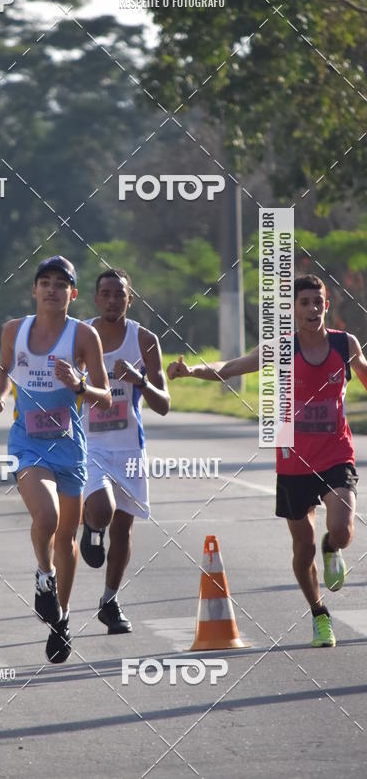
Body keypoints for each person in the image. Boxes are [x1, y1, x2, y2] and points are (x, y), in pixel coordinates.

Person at [167, 274, 367, 648]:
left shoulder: (345, 344)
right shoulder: (280, 349)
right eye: (305, 302)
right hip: (293, 461)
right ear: (293, 309)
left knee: (341, 528)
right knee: (302, 547)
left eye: (318, 302)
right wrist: (192, 370)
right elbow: (231, 367)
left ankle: (333, 547)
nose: (312, 309)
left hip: (336, 454)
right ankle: (319, 614)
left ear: (327, 306)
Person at [0, 255, 111, 663]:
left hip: (70, 446)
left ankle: (62, 620)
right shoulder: (13, 330)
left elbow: (106, 397)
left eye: (61, 284)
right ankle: (44, 574)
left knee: (68, 539)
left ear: (73, 294)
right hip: (28, 443)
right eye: (45, 282)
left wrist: (80, 385)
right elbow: (5, 370)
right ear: (34, 290)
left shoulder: (84, 335)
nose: (52, 289)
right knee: (48, 517)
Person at [80, 269, 170, 633]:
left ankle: (110, 601)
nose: (113, 300)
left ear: (129, 299)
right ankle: (91, 525)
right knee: (102, 509)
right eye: (106, 294)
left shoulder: (144, 340)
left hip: (130, 448)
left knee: (123, 529)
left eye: (120, 294)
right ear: (96, 299)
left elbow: (163, 405)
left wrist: (140, 379)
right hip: (89, 444)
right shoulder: (80, 335)